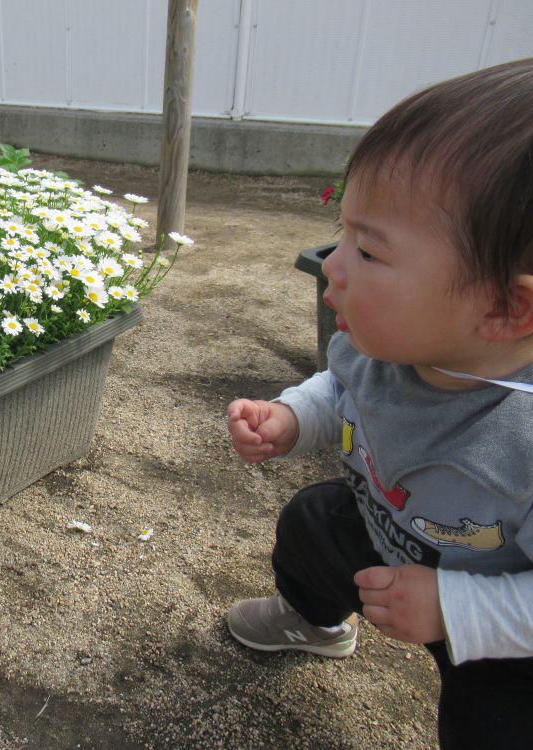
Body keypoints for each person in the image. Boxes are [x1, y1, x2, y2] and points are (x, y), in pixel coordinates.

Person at [225, 58, 533, 749]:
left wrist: (458, 607)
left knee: (497, 725)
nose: (333, 263)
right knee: (313, 523)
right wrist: (295, 416)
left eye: (370, 251)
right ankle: (314, 622)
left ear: (506, 308)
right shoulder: (381, 346)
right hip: (388, 533)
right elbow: (342, 387)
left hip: (507, 618)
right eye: (345, 233)